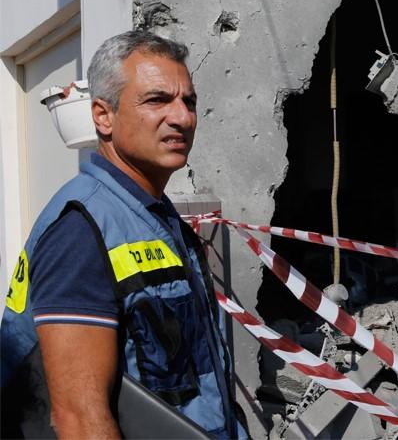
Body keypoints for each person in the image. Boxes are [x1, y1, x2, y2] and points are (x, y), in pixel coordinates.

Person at [1, 31, 245, 438]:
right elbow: (80, 421)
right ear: (103, 116)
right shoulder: (82, 231)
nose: (182, 117)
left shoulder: (153, 214)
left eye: (189, 102)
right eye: (157, 100)